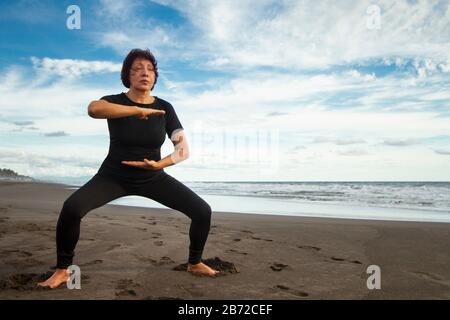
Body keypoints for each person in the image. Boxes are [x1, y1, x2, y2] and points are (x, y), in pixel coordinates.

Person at [38, 48, 219, 289]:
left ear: (155, 77)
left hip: (153, 177)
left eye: (150, 69)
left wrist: (159, 164)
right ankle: (63, 270)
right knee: (72, 208)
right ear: (128, 76)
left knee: (202, 211)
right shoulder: (114, 101)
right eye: (137, 69)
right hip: (113, 176)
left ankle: (194, 262)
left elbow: (183, 150)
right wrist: (137, 110)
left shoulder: (165, 108)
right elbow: (93, 109)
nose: (144, 73)